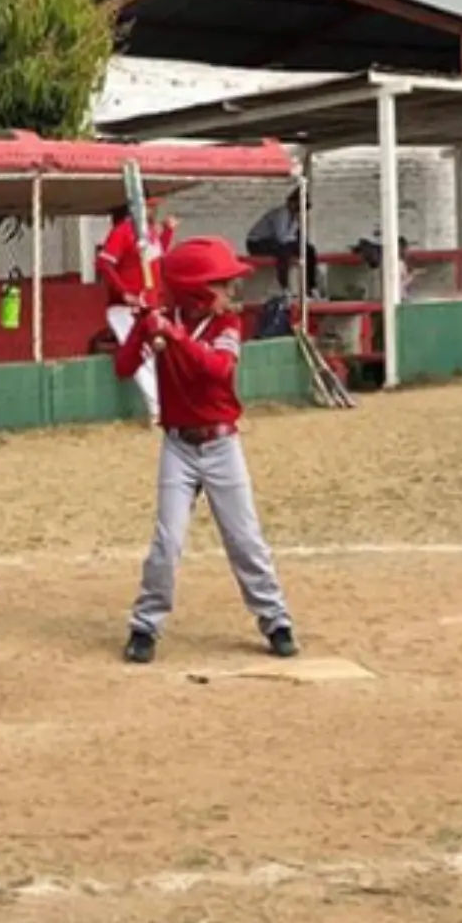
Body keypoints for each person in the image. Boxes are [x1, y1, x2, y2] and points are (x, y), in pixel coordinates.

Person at [114, 236, 299, 664]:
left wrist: (173, 336)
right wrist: (144, 327)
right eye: (220, 284)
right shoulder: (163, 320)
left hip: (221, 444)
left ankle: (275, 620)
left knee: (244, 538)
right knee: (167, 541)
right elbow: (123, 368)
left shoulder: (226, 326)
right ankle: (145, 626)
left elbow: (217, 370)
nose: (229, 293)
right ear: (196, 290)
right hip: (177, 445)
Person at [96, 197, 176, 423]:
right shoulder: (122, 231)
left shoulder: (148, 232)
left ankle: (161, 408)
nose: (154, 209)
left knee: (154, 355)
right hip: (124, 308)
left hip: (147, 306)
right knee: (141, 356)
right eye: (149, 205)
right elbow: (105, 264)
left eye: (154, 206)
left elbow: (153, 262)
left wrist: (167, 233)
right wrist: (124, 292)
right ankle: (157, 410)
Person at [244, 187, 320, 298]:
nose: (300, 210)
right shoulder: (281, 214)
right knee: (284, 252)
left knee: (309, 250)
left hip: (278, 241)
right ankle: (284, 287)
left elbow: (292, 237)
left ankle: (311, 286)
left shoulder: (295, 217)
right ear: (292, 202)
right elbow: (281, 237)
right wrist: (294, 242)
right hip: (257, 242)